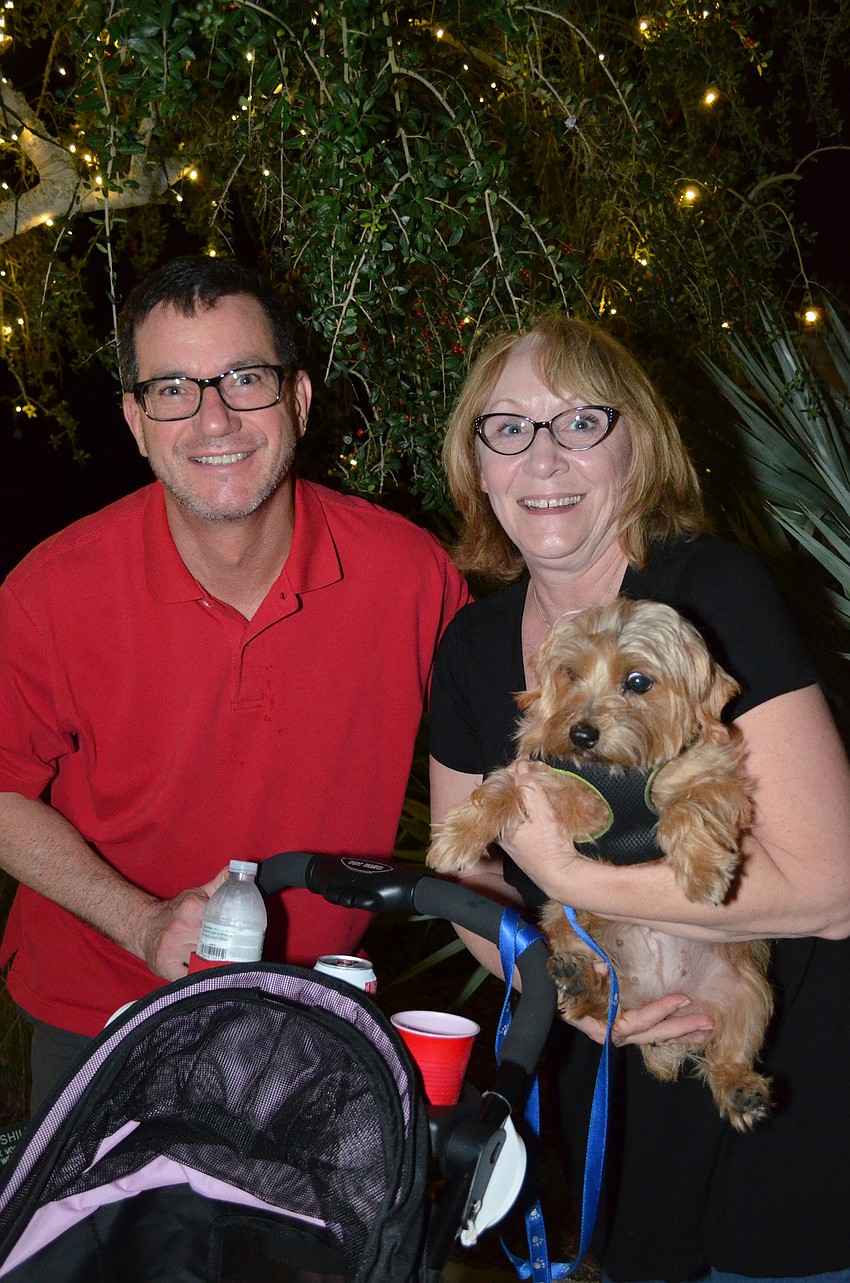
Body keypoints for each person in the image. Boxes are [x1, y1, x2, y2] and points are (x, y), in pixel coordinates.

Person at [428, 311, 850, 1282]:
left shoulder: (711, 596)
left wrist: (573, 874)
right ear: (477, 465)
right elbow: (465, 883)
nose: (541, 456)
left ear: (636, 447)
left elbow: (831, 886)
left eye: (580, 422)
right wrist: (563, 994)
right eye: (508, 428)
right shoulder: (470, 649)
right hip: (611, 1087)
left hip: (792, 1096)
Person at [0, 254, 469, 1111]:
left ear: (296, 399)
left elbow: (513, 749)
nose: (214, 417)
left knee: (304, 1253)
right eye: (174, 388)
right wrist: (141, 921)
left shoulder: (410, 575)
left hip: (315, 1020)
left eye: (244, 378)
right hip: (99, 1016)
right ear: (136, 422)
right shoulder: (49, 591)